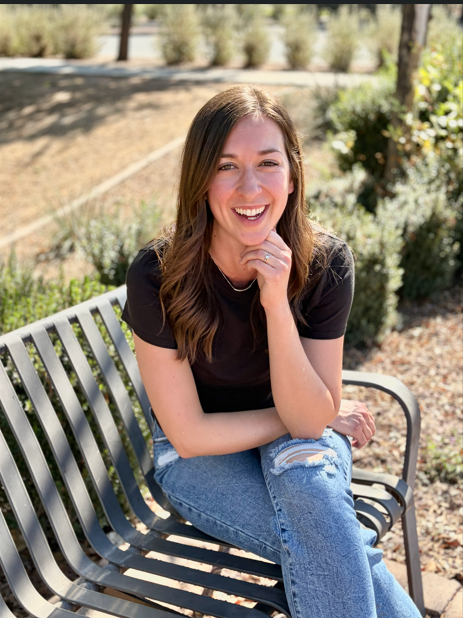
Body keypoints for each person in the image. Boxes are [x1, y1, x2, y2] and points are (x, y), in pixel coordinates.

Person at [122, 85, 421, 618]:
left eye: (267, 163)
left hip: (295, 451)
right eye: (226, 166)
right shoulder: (157, 275)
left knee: (313, 498)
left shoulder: (327, 264)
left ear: (292, 173)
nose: (250, 186)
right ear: (200, 178)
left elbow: (310, 423)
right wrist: (313, 418)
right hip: (199, 460)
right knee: (336, 542)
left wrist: (277, 303)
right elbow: (190, 435)